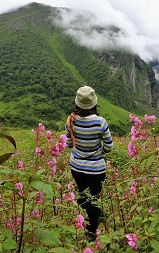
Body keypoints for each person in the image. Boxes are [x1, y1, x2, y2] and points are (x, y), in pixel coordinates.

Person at [65, 86, 113, 241]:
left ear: (78, 103)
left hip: (76, 167)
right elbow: (109, 146)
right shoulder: (100, 122)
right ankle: (92, 228)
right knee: (94, 196)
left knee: (83, 193)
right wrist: (99, 153)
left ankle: (88, 218)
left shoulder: (71, 120)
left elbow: (69, 144)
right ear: (94, 104)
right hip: (96, 169)